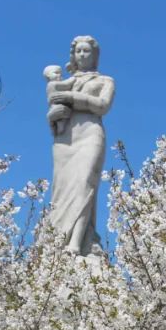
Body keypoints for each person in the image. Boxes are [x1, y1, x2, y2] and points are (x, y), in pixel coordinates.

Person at [46, 35, 115, 257]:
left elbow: (103, 105)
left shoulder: (105, 81)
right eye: (79, 51)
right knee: (63, 189)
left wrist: (73, 98)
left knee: (85, 183)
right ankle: (57, 240)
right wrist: (53, 116)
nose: (83, 55)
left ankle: (76, 243)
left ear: (95, 56)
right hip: (65, 139)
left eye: (87, 51)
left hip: (90, 134)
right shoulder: (64, 83)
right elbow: (54, 106)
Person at [43, 64, 74, 136]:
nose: (59, 75)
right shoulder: (52, 84)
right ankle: (56, 128)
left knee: (60, 120)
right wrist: (73, 78)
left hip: (59, 106)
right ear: (48, 76)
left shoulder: (55, 84)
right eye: (56, 73)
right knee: (59, 117)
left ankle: (58, 128)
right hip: (56, 106)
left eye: (60, 73)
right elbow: (67, 84)